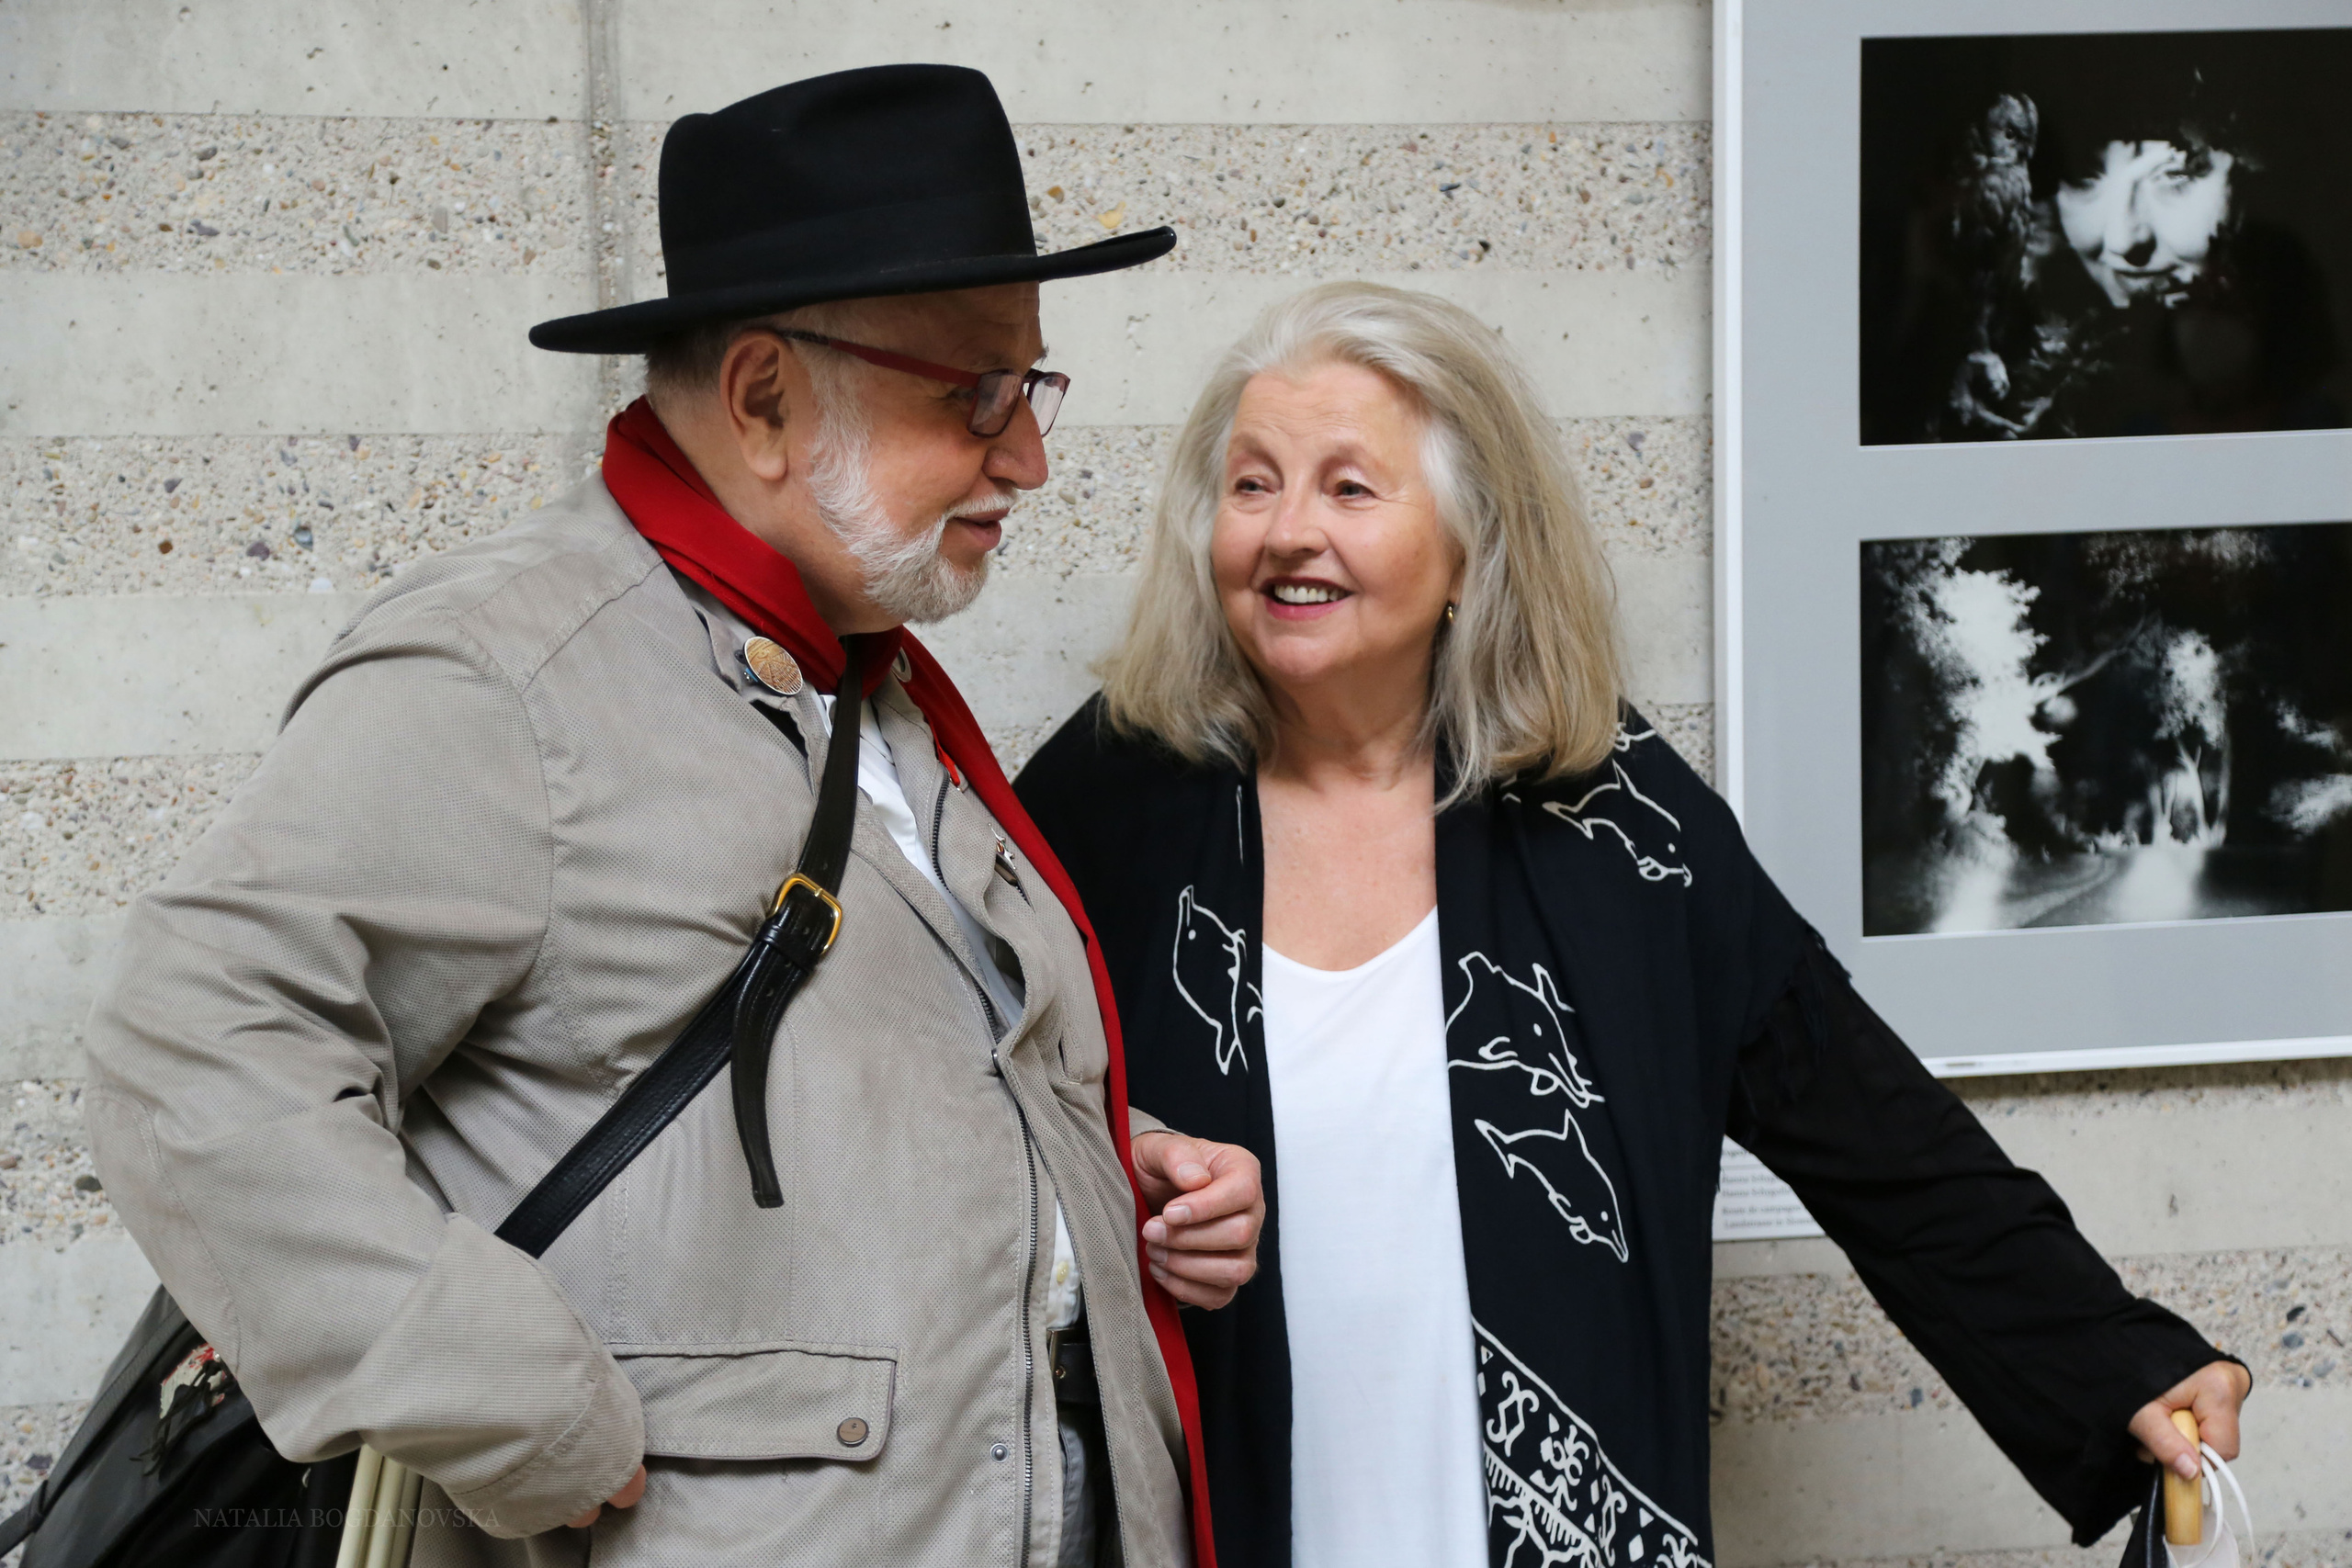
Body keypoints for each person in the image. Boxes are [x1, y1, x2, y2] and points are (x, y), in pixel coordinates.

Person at [83, 66, 1262, 1568]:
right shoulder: (509, 670)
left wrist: (1100, 1169)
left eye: (1031, 388)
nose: (1027, 454)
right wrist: (509, 1404)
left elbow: (822, 1076)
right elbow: (189, 1057)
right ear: (766, 396)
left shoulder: (866, 679)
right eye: (975, 391)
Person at [1014, 282, 2250, 1568]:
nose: (1284, 534)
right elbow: (980, 1148)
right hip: (1219, 1513)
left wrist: (2120, 1363)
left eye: (1349, 489)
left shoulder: (1619, 822)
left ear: (1469, 547)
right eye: (1252, 485)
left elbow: (1875, 1134)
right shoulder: (1105, 806)